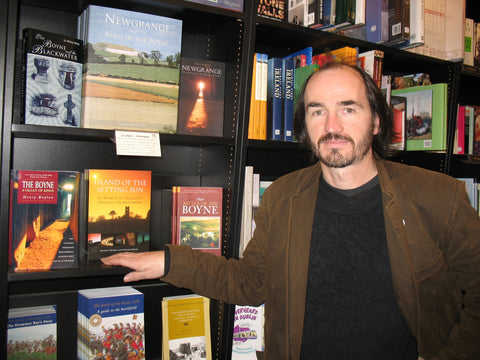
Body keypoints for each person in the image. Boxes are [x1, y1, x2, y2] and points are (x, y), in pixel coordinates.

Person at [101, 63, 480, 359]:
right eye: (318, 112)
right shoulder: (283, 197)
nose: (332, 126)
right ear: (305, 125)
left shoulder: (437, 197)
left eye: (348, 109)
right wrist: (170, 263)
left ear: (376, 120)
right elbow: (250, 283)